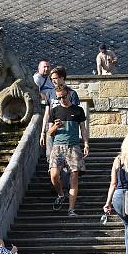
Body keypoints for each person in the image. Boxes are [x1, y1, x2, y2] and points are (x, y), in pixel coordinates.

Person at [48, 88, 89, 216]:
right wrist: (55, 126)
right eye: (59, 98)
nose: (62, 100)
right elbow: (49, 132)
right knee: (54, 175)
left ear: (69, 95)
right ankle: (61, 194)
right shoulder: (54, 111)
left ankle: (71, 209)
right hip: (58, 146)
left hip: (74, 146)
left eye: (63, 97)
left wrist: (86, 143)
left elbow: (83, 128)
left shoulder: (78, 110)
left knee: (74, 177)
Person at [40, 66, 81, 153]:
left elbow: (74, 114)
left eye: (55, 78)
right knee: (51, 158)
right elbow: (46, 114)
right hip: (51, 130)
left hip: (66, 133)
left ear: (62, 78)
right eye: (51, 79)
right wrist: (43, 132)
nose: (53, 81)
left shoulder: (72, 94)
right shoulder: (49, 93)